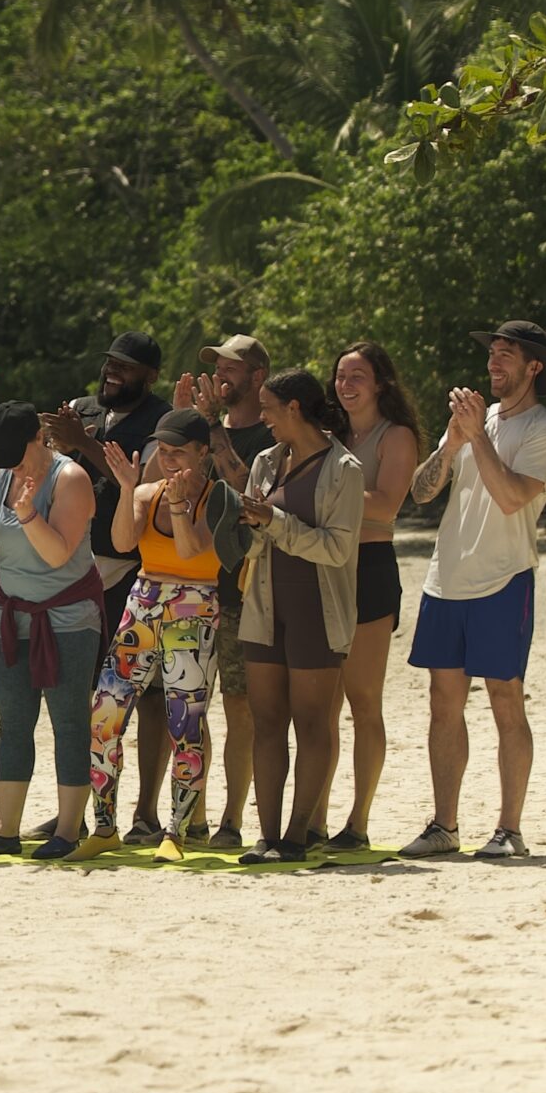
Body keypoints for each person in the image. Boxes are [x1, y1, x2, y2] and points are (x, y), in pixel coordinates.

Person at [400, 321, 546, 860]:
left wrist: (476, 438)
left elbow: (512, 498)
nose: (494, 364)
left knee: (505, 700)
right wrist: (451, 445)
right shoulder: (478, 423)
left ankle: (508, 829)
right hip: (444, 579)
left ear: (533, 367)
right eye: (492, 354)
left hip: (504, 579)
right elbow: (422, 493)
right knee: (442, 704)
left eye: (506, 356)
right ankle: (444, 826)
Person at [0, 404, 103, 859]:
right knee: (13, 722)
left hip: (68, 619)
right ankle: (5, 829)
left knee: (70, 722)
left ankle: (69, 829)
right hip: (9, 617)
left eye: (20, 451)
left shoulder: (70, 478)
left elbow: (57, 555)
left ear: (40, 436)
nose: (13, 462)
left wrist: (29, 514)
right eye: (4, 454)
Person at [32, 330, 171, 842]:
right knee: (78, 697)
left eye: (127, 367)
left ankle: (146, 813)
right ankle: (77, 808)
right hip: (73, 570)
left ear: (150, 376)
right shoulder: (83, 408)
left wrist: (81, 444)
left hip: (134, 571)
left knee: (148, 695)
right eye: (110, 362)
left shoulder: (160, 421)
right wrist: (54, 443)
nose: (113, 372)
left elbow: (139, 488)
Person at [77, 409, 226, 862]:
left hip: (193, 607)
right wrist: (127, 489)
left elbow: (191, 547)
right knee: (104, 715)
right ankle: (105, 827)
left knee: (185, 723)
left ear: (203, 452)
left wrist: (179, 503)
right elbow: (123, 542)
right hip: (143, 601)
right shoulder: (146, 491)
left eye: (179, 449)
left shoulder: (221, 498)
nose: (169, 456)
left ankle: (176, 831)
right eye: (164, 448)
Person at [231, 370, 364, 865]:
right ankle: (266, 837)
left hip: (317, 609)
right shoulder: (266, 462)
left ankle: (298, 834)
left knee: (311, 724)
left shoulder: (345, 468)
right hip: (265, 607)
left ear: (294, 408)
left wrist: (272, 520)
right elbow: (256, 533)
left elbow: (336, 547)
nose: (261, 417)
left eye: (268, 407)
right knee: (266, 723)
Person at [313, 342, 420, 848]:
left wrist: (324, 496)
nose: (346, 384)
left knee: (363, 702)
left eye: (358, 375)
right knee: (321, 706)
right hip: (324, 569)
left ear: (381, 384)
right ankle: (313, 818)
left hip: (370, 570)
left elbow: (388, 506)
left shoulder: (395, 436)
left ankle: (357, 822)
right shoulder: (327, 435)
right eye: (340, 375)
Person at [172, 334, 273, 849]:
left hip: (238, 594)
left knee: (238, 708)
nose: (221, 378)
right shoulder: (204, 429)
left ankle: (233, 820)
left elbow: (246, 496)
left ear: (258, 378)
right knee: (190, 706)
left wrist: (210, 427)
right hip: (193, 587)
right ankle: (196, 815)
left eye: (232, 370)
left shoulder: (274, 436)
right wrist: (179, 426)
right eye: (218, 369)